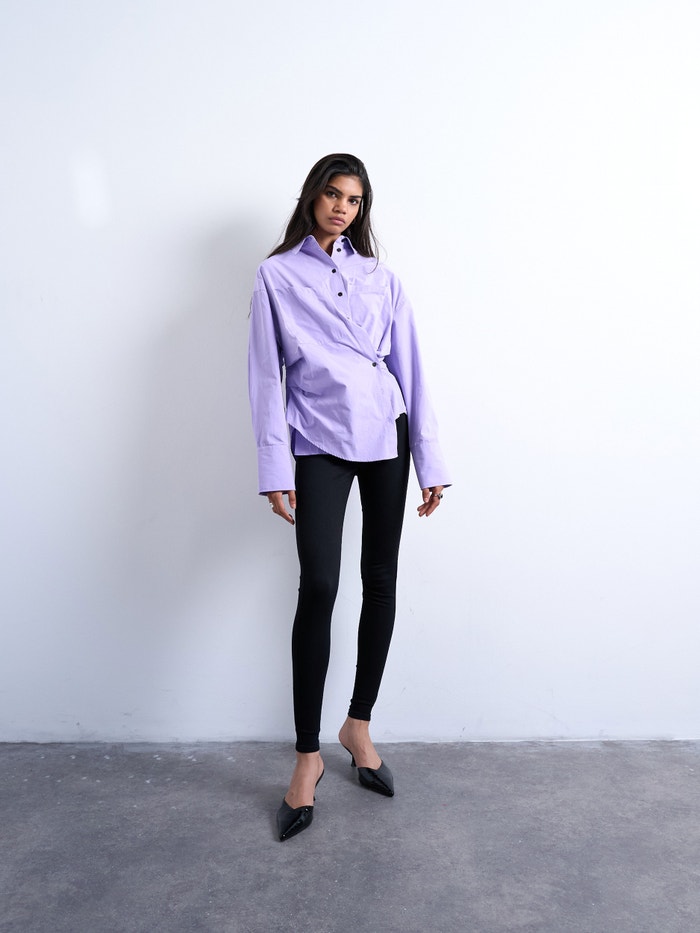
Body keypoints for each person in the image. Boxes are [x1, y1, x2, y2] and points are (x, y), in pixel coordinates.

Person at [248, 153, 450, 841]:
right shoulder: (276, 275)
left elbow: (409, 366)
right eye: (333, 194)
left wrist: (430, 461)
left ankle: (358, 724)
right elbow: (264, 376)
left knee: (381, 579)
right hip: (318, 438)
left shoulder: (381, 278)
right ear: (312, 197)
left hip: (388, 434)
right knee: (321, 586)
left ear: (363, 209)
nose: (342, 207)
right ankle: (307, 755)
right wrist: (274, 466)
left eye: (354, 200)